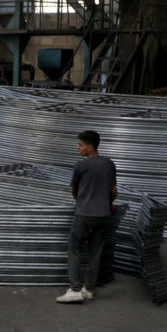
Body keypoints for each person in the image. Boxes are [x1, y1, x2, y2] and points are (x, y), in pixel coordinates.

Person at [57, 130, 118, 304]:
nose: (78, 148)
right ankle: (89, 289)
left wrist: (82, 201)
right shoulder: (110, 164)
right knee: (95, 252)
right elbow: (114, 191)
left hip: (84, 214)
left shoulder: (81, 166)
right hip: (103, 214)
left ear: (90, 148)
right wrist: (107, 204)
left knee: (74, 249)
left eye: (80, 145)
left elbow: (73, 190)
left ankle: (75, 289)